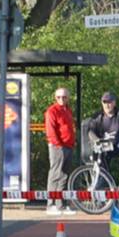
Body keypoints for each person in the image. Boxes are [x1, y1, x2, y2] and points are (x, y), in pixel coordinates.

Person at [85, 91, 119, 175]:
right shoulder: (98, 116)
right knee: (99, 156)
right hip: (104, 145)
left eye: (109, 102)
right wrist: (96, 140)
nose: (107, 105)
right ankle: (102, 180)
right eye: (105, 102)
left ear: (114, 103)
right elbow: (90, 130)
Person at [44, 86, 76, 216]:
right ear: (55, 98)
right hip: (58, 147)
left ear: (68, 98)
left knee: (65, 176)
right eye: (58, 97)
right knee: (55, 175)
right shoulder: (52, 111)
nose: (61, 99)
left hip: (68, 146)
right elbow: (50, 130)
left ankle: (61, 205)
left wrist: (73, 142)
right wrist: (58, 145)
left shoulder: (68, 110)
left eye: (64, 97)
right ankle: (50, 204)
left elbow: (69, 128)